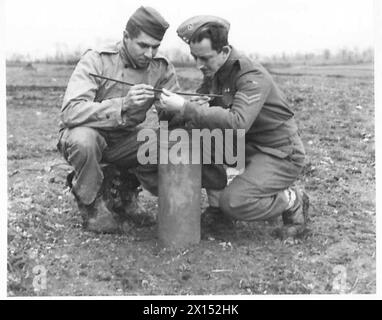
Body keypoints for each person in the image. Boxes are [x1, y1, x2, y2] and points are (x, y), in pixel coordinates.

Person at [159, 15, 309, 237]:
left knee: (236, 202)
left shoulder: (251, 75)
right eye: (194, 57)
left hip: (279, 153)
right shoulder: (215, 74)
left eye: (205, 58)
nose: (199, 65)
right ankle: (218, 210)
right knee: (191, 139)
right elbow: (192, 116)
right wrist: (169, 109)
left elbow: (237, 123)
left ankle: (292, 199)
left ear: (225, 51)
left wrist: (186, 107)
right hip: (244, 149)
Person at [57, 6, 179, 233]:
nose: (150, 54)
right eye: (143, 45)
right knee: (85, 141)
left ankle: (125, 193)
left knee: (171, 140)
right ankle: (91, 203)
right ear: (126, 37)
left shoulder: (160, 67)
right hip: (86, 135)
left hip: (124, 140)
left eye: (155, 47)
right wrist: (123, 105)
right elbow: (71, 111)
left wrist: (179, 109)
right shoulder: (97, 59)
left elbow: (173, 120)